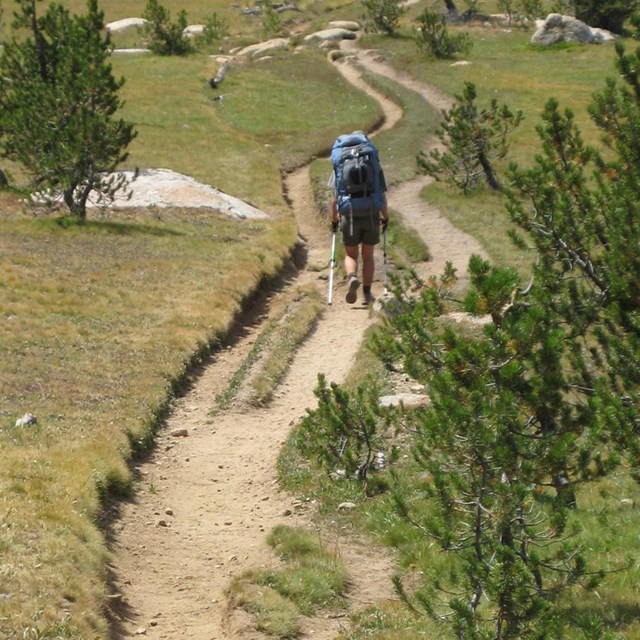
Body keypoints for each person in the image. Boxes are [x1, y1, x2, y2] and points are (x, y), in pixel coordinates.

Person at [329, 161, 388, 306]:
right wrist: (385, 217)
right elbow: (382, 196)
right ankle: (367, 294)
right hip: (371, 215)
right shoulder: (374, 166)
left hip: (349, 216)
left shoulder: (341, 165)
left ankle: (351, 277)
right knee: (368, 255)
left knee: (350, 254)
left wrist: (334, 220)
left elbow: (334, 199)